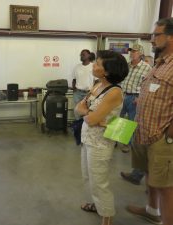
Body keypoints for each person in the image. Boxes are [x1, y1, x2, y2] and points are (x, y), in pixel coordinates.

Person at [126, 18, 173, 225]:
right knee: (150, 175)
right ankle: (152, 210)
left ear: (171, 37)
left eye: (156, 35)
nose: (152, 40)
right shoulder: (160, 63)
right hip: (145, 132)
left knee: (166, 185)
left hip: (162, 137)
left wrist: (170, 134)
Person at [75, 50, 129, 225]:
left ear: (107, 71)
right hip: (87, 138)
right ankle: (97, 206)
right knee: (88, 177)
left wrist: (90, 115)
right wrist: (91, 115)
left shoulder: (114, 92)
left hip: (101, 143)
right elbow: (78, 108)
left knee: (100, 182)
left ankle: (107, 217)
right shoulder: (98, 84)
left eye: (98, 64)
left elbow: (90, 117)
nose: (94, 66)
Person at [119, 44, 152, 185]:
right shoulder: (126, 65)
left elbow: (148, 85)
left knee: (131, 123)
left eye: (135, 51)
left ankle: (129, 144)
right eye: (131, 51)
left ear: (141, 54)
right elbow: (121, 79)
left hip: (134, 98)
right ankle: (122, 143)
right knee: (118, 121)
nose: (132, 53)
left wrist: (140, 97)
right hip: (122, 95)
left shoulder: (147, 68)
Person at [72, 49, 95, 119]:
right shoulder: (77, 67)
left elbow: (97, 81)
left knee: (87, 112)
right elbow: (74, 79)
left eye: (83, 55)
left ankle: (84, 128)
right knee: (77, 111)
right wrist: (74, 89)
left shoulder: (93, 66)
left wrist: (92, 92)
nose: (81, 56)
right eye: (80, 55)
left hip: (89, 93)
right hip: (77, 93)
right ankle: (77, 128)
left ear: (89, 55)